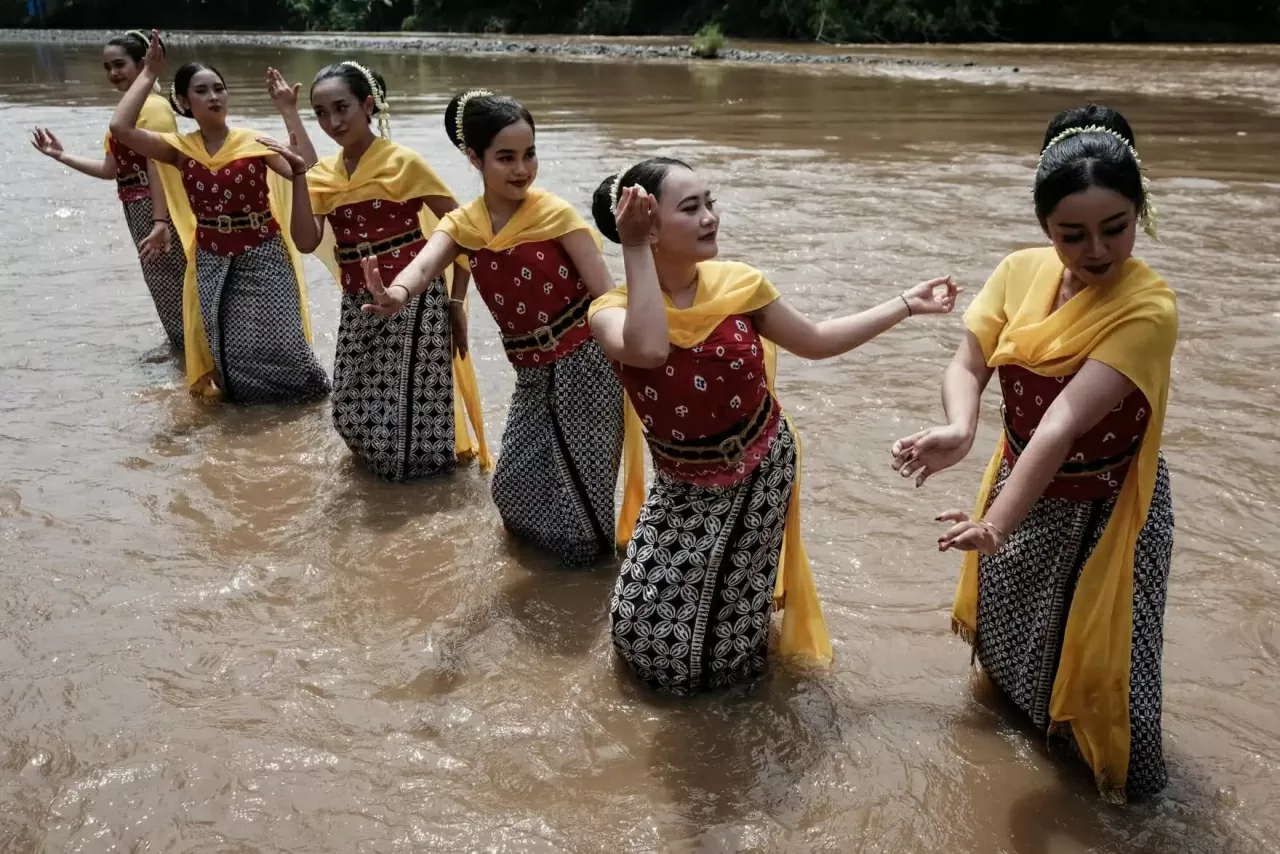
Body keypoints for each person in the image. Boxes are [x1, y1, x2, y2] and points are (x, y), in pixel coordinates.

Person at [587, 157, 959, 695]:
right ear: (646, 226)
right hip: (681, 478)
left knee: (735, 601)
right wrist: (635, 249)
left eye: (710, 202)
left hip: (761, 462)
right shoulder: (610, 310)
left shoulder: (740, 284)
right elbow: (649, 348)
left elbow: (817, 340)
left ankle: (738, 690)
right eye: (690, 208)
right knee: (641, 618)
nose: (710, 217)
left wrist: (905, 304)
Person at [890, 105, 1177, 801]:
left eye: (1116, 228)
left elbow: (1060, 425)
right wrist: (960, 428)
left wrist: (995, 524)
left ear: (1141, 211)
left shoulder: (1149, 309)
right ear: (1045, 228)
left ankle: (1124, 811)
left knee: (1112, 669)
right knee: (1011, 644)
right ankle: (1026, 765)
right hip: (1022, 486)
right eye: (1071, 234)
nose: (1098, 250)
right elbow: (969, 362)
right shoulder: (1019, 272)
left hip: (1107, 506)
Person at [365, 89, 634, 565]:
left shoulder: (554, 215)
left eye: (529, 154)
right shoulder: (464, 224)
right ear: (475, 158)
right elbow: (425, 265)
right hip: (531, 371)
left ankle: (593, 580)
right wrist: (397, 295)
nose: (521, 169)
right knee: (512, 487)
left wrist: (635, 365)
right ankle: (557, 580)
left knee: (583, 494)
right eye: (505, 157)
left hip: (586, 364)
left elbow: (606, 294)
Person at [257, 62, 489, 480]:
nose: (332, 122)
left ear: (368, 106)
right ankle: (393, 492)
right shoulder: (323, 175)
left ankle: (421, 497)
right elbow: (307, 242)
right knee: (348, 406)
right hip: (357, 300)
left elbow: (462, 230)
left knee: (412, 409)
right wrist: (296, 177)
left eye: (342, 108)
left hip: (416, 300)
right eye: (322, 113)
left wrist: (457, 300)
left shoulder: (404, 163)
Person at [108, 30, 330, 404]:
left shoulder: (253, 142)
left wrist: (289, 112)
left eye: (219, 89)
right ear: (183, 101)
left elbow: (306, 167)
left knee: (282, 338)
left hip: (264, 255)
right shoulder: (180, 149)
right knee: (227, 345)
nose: (213, 97)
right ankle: (245, 415)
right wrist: (148, 74)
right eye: (202, 91)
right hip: (211, 258)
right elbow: (121, 129)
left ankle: (308, 403)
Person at [30, 30, 188, 351]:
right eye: (107, 68)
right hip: (136, 205)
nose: (113, 73)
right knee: (162, 282)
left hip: (156, 205)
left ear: (142, 64)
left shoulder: (153, 108)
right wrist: (61, 155)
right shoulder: (128, 111)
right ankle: (183, 355)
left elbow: (159, 165)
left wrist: (160, 222)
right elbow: (110, 171)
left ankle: (191, 351)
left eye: (119, 65)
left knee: (170, 281)